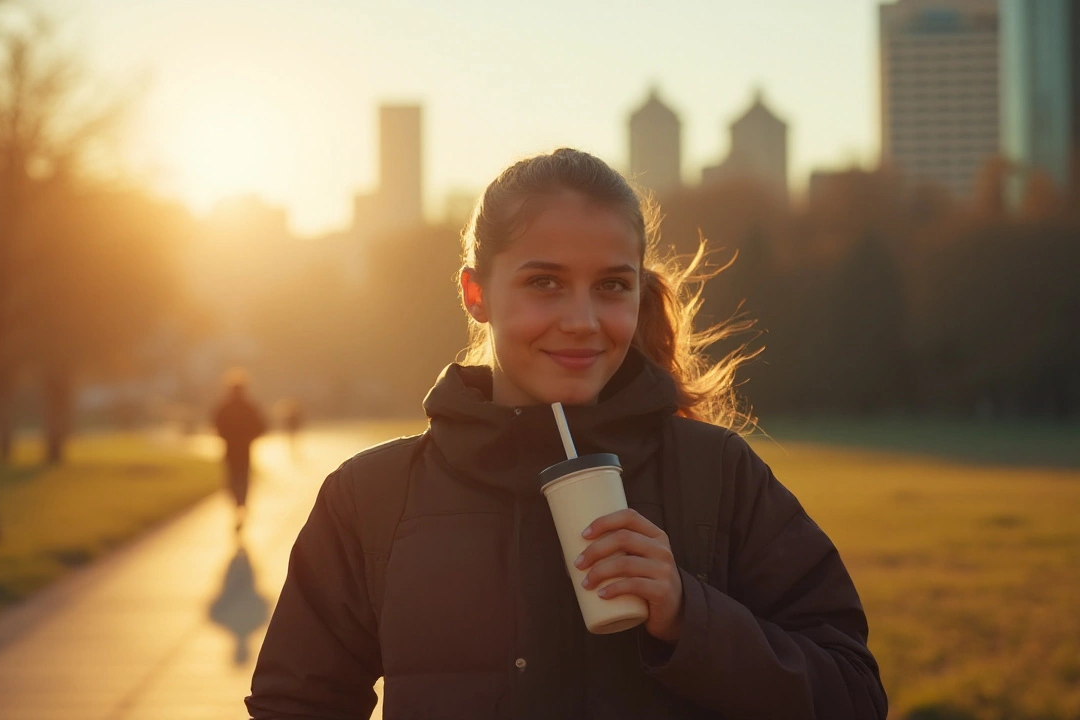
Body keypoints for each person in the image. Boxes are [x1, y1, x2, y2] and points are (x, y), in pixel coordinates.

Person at [246, 149, 887, 719]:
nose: (581, 321)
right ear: (477, 294)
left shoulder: (717, 474)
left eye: (611, 286)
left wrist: (687, 614)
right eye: (544, 283)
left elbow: (853, 694)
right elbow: (296, 704)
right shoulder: (372, 497)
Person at [213, 369, 267, 533]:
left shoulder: (225, 407)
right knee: (241, 479)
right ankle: (241, 505)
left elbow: (216, 425)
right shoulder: (248, 407)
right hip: (243, 450)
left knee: (233, 480)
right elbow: (262, 427)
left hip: (232, 449)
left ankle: (238, 505)